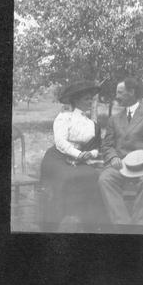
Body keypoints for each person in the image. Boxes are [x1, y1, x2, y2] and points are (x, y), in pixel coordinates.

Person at [40, 80, 106, 231]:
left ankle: (86, 221)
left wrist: (91, 153)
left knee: (91, 175)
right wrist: (79, 154)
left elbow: (96, 147)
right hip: (57, 158)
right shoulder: (64, 117)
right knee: (66, 177)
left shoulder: (92, 124)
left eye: (91, 98)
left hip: (80, 159)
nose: (90, 101)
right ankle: (58, 222)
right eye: (86, 99)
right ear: (76, 100)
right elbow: (60, 142)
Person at [98, 77, 143, 226]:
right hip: (120, 165)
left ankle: (138, 225)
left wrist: (140, 161)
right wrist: (113, 157)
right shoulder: (113, 119)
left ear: (132, 92)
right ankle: (123, 225)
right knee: (105, 179)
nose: (117, 96)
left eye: (120, 92)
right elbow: (107, 145)